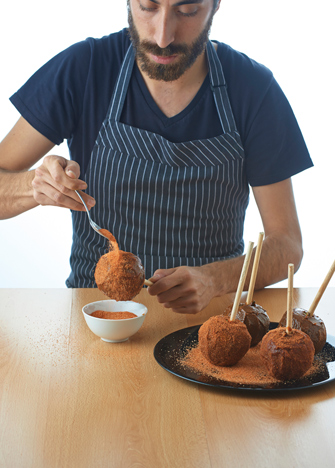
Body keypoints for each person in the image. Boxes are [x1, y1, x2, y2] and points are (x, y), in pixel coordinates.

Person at [0, 0, 313, 314]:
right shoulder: (85, 68)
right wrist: (34, 186)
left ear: (216, 5)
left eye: (187, 10)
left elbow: (287, 244)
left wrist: (216, 279)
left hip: (206, 327)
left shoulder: (253, 88)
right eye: (148, 7)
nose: (163, 36)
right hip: (96, 322)